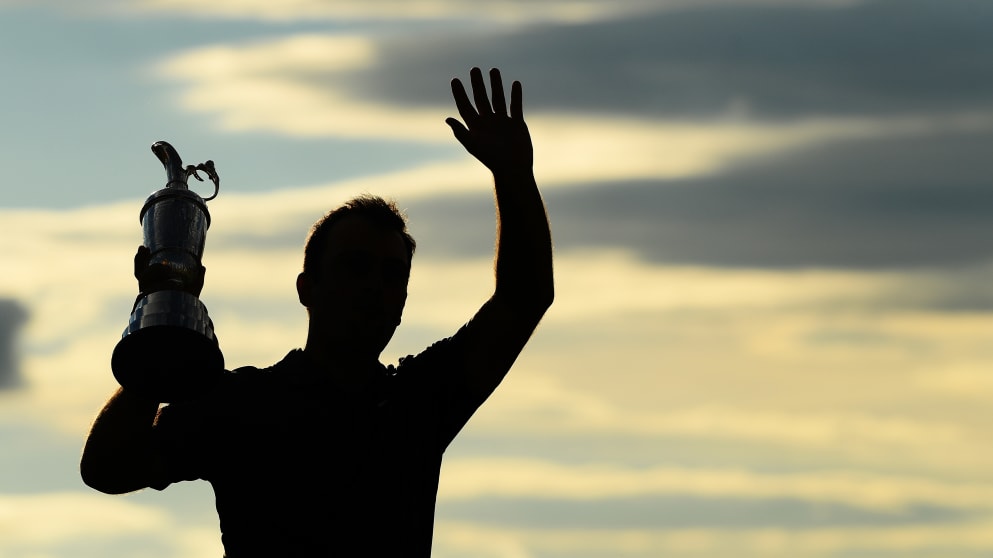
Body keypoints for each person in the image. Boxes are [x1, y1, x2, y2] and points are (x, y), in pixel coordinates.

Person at [80, 66, 554, 557]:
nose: (375, 286)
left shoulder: (418, 399)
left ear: (403, 303)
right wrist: (164, 320)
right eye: (355, 267)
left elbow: (525, 297)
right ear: (307, 288)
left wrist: (514, 177)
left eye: (392, 275)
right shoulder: (242, 404)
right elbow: (107, 469)